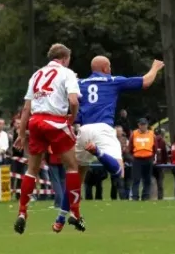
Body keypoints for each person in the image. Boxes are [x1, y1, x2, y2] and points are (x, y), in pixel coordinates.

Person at [13, 43, 84, 235]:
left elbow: (26, 108)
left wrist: (21, 133)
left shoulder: (36, 75)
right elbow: (74, 100)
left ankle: (22, 212)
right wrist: (73, 117)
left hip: (35, 122)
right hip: (56, 122)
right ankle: (76, 213)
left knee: (32, 169)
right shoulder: (67, 73)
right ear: (64, 59)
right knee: (71, 167)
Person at [74, 56, 164, 188]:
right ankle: (98, 152)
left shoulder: (80, 84)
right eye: (109, 67)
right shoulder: (113, 81)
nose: (110, 69)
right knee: (119, 170)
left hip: (84, 130)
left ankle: (68, 207)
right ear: (105, 68)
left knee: (78, 170)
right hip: (102, 129)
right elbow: (146, 82)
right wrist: (155, 68)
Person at [129, 118, 156, 201]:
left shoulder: (152, 134)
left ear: (147, 125)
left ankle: (145, 196)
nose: (143, 126)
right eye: (141, 124)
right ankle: (135, 196)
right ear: (138, 125)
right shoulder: (134, 134)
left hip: (148, 158)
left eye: (144, 124)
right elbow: (130, 146)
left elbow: (155, 147)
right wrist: (133, 155)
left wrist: (152, 156)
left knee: (147, 179)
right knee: (136, 179)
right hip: (137, 159)